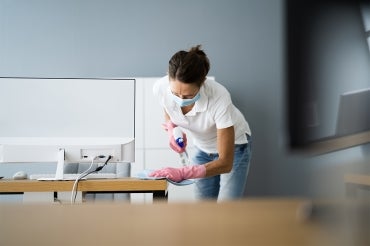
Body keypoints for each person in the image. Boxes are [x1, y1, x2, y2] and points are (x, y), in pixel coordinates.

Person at [149, 45, 252, 201]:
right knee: (203, 209)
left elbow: (225, 163)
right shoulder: (161, 88)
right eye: (176, 94)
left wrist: (184, 172)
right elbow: (167, 109)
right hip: (203, 148)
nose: (181, 101)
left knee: (227, 210)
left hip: (235, 147)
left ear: (202, 83)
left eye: (189, 95)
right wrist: (172, 129)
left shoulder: (219, 97)